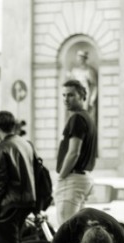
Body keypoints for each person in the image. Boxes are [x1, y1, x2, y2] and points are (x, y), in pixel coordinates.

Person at [0, 110, 37, 243]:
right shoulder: (25, 144)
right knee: (17, 240)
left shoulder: (0, 147)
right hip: (28, 199)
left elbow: (0, 179)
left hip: (10, 201)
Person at [54, 79, 97, 228]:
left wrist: (61, 177)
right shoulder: (88, 118)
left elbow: (73, 153)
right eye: (64, 95)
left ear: (82, 96)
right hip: (83, 178)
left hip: (72, 178)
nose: (66, 99)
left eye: (71, 95)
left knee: (66, 230)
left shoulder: (77, 118)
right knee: (77, 229)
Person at [68, 50, 98, 122]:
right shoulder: (74, 71)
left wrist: (92, 99)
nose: (79, 60)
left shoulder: (89, 71)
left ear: (84, 59)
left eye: (81, 58)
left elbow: (94, 86)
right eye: (78, 58)